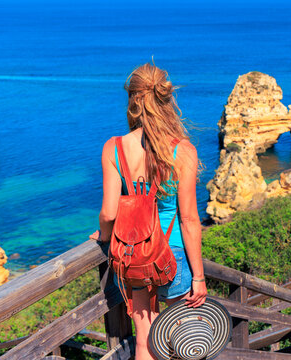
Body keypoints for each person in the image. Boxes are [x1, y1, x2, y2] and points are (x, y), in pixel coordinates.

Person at [89, 63, 207, 360]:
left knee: (145, 339)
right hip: (173, 255)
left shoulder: (114, 148)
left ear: (132, 101)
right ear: (166, 100)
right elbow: (190, 219)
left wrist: (104, 237)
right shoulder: (182, 151)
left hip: (134, 256)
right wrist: (200, 277)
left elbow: (108, 213)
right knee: (184, 337)